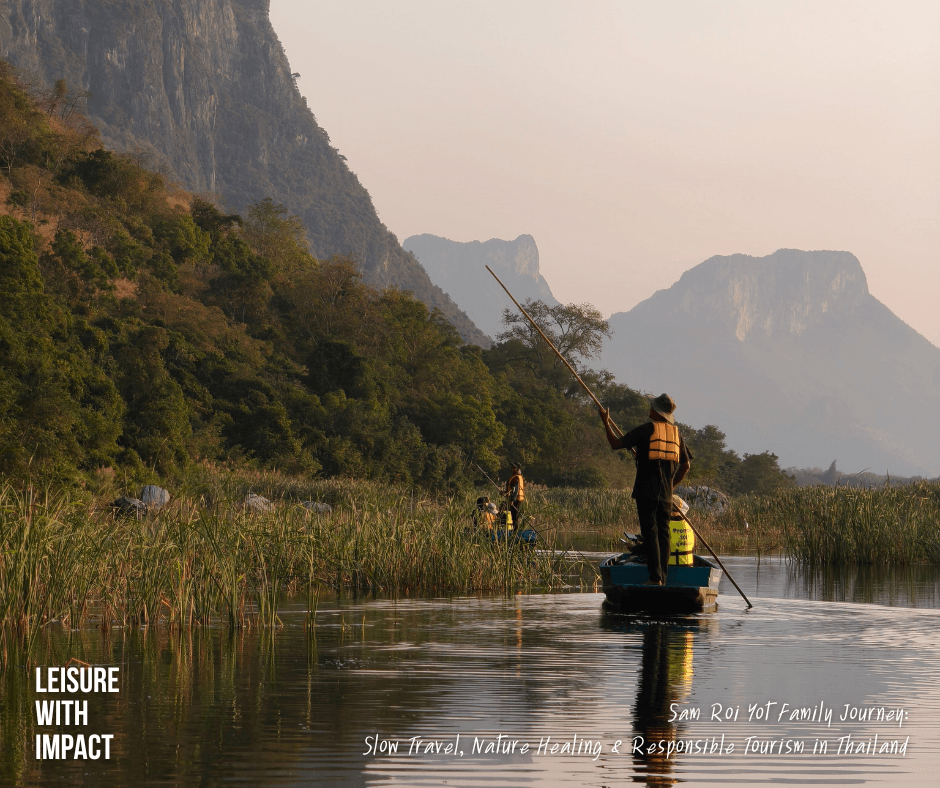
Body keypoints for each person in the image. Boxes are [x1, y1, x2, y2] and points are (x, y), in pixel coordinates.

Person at [598, 393, 692, 585]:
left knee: (650, 533)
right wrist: (670, 486)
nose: (649, 409)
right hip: (665, 496)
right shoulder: (677, 434)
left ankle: (654, 578)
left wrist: (606, 422)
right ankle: (662, 578)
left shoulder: (647, 430)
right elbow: (686, 466)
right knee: (663, 534)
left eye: (651, 407)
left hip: (646, 492)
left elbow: (616, 444)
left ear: (656, 412)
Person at [503, 463, 525, 529]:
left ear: (517, 469)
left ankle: (515, 532)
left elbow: (515, 490)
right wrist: (504, 492)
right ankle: (513, 530)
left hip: (516, 499)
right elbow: (511, 489)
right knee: (513, 516)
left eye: (514, 468)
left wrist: (512, 500)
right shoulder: (517, 476)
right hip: (516, 499)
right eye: (512, 467)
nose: (512, 469)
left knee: (514, 517)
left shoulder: (516, 477)